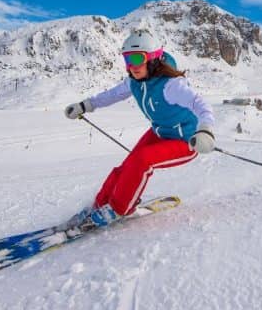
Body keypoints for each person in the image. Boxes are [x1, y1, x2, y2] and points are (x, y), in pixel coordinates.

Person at [63, 29, 215, 228]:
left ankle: (118, 209)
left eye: (137, 58)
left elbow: (201, 104)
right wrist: (85, 105)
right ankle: (99, 204)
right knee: (126, 167)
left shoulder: (171, 85)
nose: (132, 65)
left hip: (186, 140)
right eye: (127, 59)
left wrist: (206, 131)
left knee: (141, 161)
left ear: (152, 59)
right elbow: (112, 95)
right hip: (159, 132)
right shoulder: (134, 82)